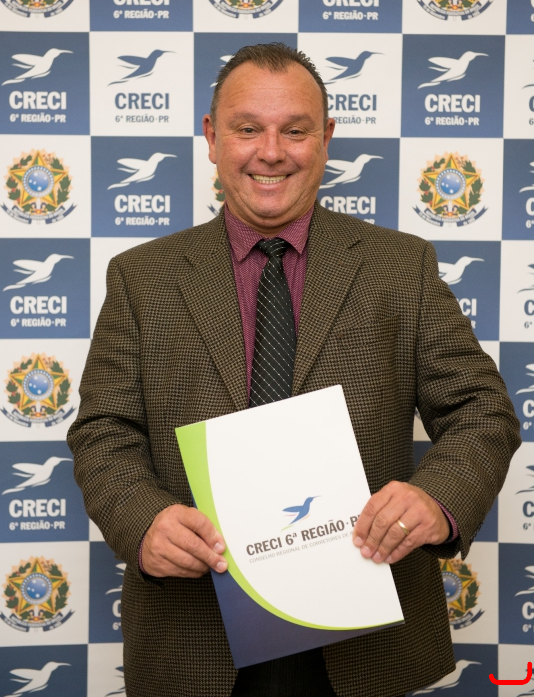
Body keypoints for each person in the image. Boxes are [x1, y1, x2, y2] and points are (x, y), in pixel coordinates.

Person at [68, 43, 520, 697]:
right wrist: (143, 521)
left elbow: (483, 411)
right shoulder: (142, 279)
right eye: (248, 128)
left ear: (326, 138)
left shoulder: (402, 268)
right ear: (212, 137)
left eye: (296, 130)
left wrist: (436, 497)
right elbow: (103, 433)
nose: (271, 151)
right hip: (197, 637)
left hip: (366, 639)